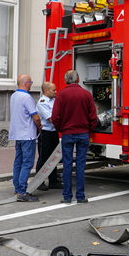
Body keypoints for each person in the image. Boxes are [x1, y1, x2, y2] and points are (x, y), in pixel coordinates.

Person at [52, 70, 98, 204]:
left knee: (67, 165)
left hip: (67, 133)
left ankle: (67, 197)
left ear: (66, 80)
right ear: (78, 79)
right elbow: (93, 116)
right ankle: (80, 196)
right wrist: (89, 129)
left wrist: (61, 129)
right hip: (83, 133)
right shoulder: (86, 94)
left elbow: (55, 117)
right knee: (80, 165)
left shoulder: (61, 95)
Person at [9, 74, 41, 202]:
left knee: (18, 162)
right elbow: (36, 116)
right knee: (27, 163)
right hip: (27, 134)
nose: (31, 84)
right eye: (31, 82)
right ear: (26, 83)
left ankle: (17, 188)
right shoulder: (26, 97)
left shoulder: (14, 96)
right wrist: (39, 126)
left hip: (18, 134)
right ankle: (22, 192)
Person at [35, 81, 61, 191]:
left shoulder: (55, 100)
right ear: (46, 91)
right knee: (44, 157)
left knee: (53, 157)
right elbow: (51, 119)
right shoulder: (42, 103)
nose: (56, 91)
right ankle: (39, 182)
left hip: (54, 132)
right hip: (46, 133)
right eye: (53, 90)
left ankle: (53, 181)